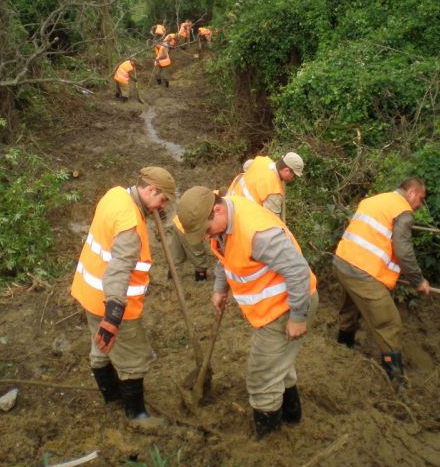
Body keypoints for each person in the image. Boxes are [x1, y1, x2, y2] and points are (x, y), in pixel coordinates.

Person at [176, 187, 318, 438]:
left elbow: (298, 271)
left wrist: (298, 317)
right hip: (270, 309)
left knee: (261, 378)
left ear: (217, 210)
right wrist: (220, 288)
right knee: (279, 367)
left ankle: (270, 441)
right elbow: (226, 257)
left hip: (285, 308)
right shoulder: (224, 221)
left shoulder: (258, 234)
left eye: (206, 230)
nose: (206, 236)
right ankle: (292, 417)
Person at [71, 167, 177, 425]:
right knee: (133, 358)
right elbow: (118, 270)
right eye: (162, 199)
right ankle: (136, 415)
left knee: (101, 346)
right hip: (113, 302)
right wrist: (113, 316)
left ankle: (112, 399)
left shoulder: (115, 195)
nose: (162, 206)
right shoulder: (130, 224)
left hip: (90, 293)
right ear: (150, 190)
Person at [333, 177, 430, 384]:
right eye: (421, 198)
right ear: (411, 193)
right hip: (363, 272)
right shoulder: (403, 212)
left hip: (342, 262)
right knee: (389, 323)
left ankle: (342, 349)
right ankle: (395, 378)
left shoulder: (374, 200)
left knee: (351, 307)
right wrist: (418, 281)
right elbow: (403, 252)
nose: (420, 204)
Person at [227, 152, 304, 220]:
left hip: (229, 202)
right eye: (294, 175)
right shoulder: (273, 191)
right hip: (238, 216)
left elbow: (247, 165)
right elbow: (272, 222)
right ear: (286, 170)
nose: (293, 178)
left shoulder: (263, 161)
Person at [166, 213, 210, 281]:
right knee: (198, 254)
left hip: (178, 222)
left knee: (176, 254)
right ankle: (201, 277)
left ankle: (172, 276)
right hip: (190, 228)